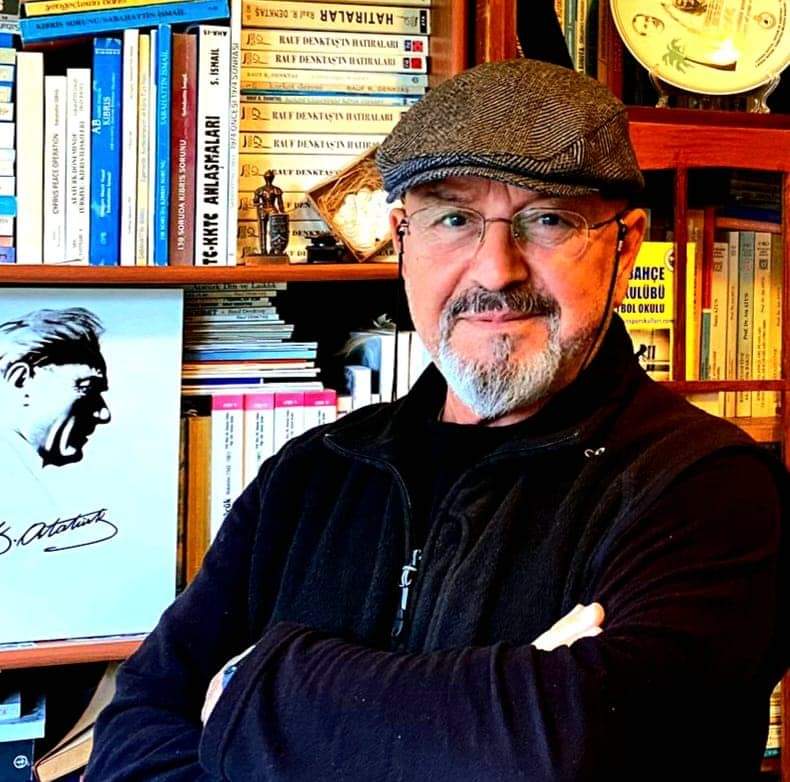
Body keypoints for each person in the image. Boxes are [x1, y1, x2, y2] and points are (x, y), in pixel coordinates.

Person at [86, 59, 787, 781]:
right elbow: (132, 743)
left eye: (548, 219)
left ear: (625, 244)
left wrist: (257, 690)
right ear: (401, 238)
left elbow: (593, 753)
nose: (495, 271)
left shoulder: (711, 491)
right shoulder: (310, 475)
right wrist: (500, 719)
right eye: (453, 219)